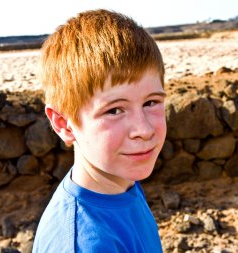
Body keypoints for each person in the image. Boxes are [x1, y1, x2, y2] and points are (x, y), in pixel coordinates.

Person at [33, 9, 166, 253]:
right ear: (64, 124)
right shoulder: (83, 244)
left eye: (151, 103)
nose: (144, 130)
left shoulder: (122, 183)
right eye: (114, 110)